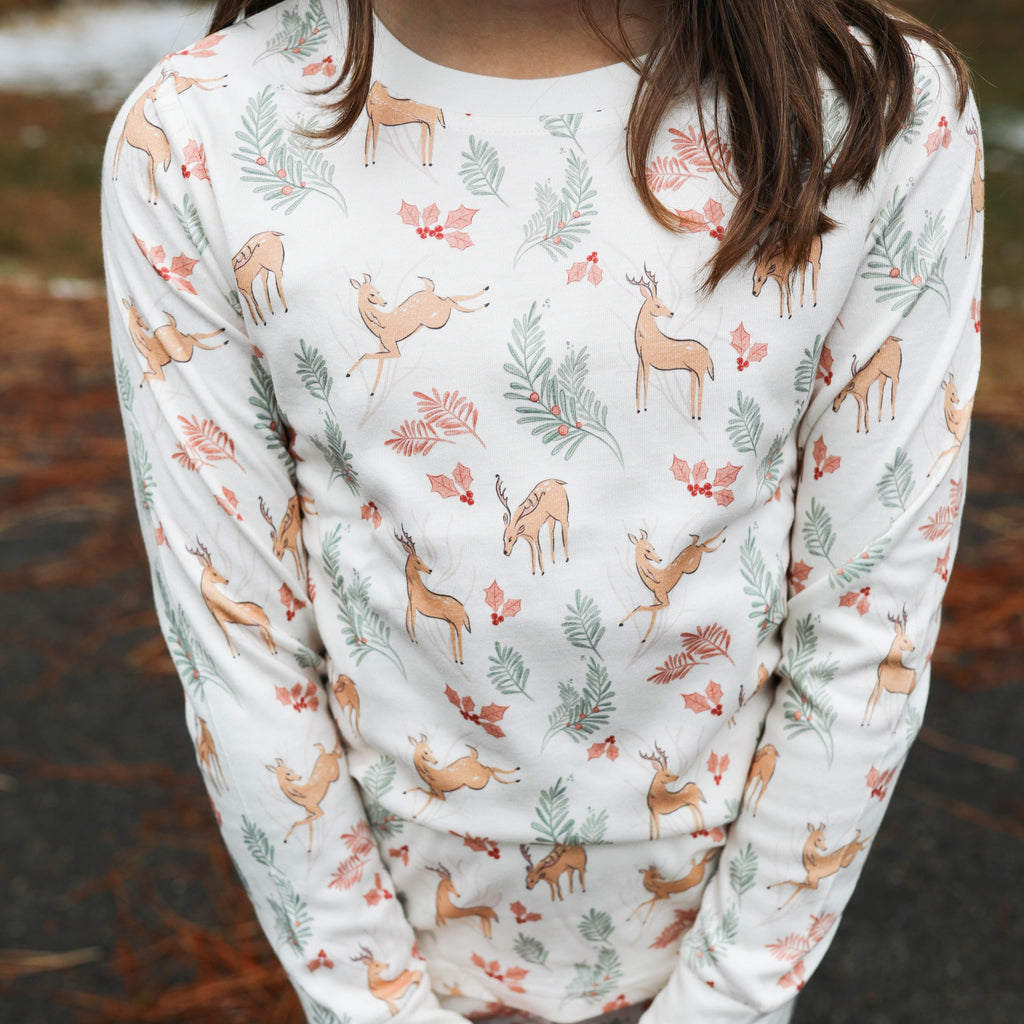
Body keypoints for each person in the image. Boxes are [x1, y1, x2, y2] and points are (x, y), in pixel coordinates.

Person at [100, 1, 982, 1021]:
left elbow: (867, 625)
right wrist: (375, 1003)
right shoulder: (198, 137)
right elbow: (237, 639)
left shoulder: (877, 112)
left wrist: (727, 998)